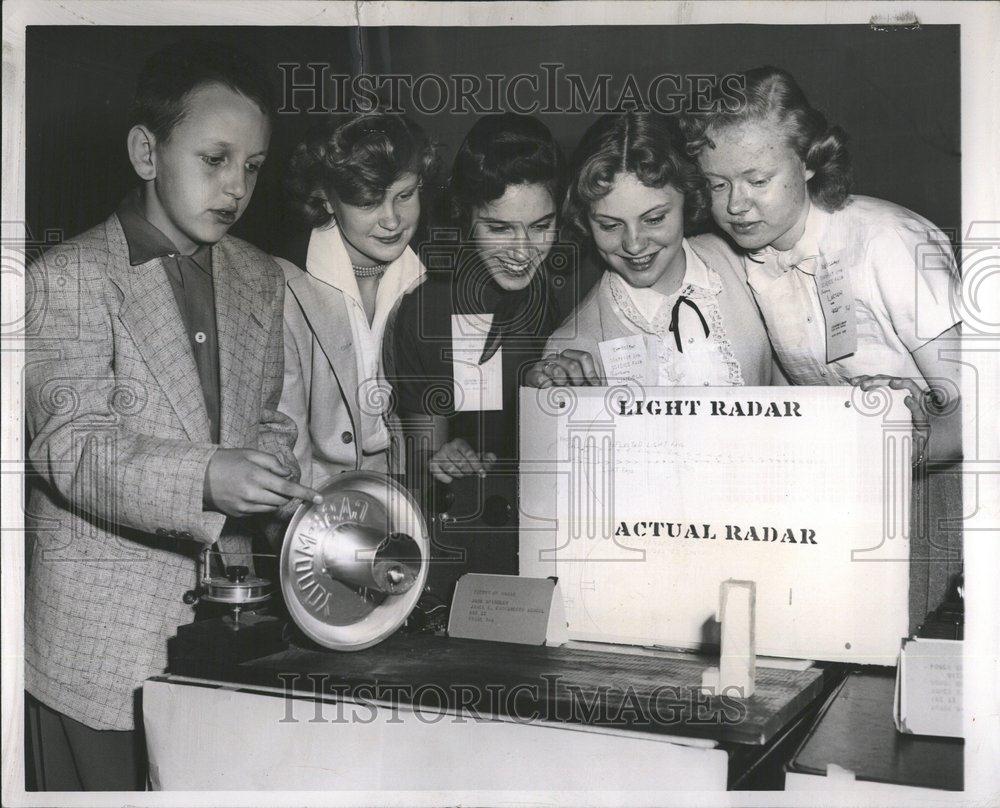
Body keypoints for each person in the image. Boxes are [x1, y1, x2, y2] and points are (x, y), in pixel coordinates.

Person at [23, 42, 320, 790]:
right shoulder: (66, 279)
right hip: (100, 653)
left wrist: (269, 464)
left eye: (252, 167)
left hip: (233, 638)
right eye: (215, 159)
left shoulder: (258, 274)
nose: (236, 187)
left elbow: (268, 414)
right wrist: (209, 478)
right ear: (146, 152)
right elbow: (71, 447)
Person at [681, 65, 961, 464]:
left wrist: (899, 453)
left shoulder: (887, 242)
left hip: (940, 481)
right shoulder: (757, 255)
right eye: (717, 184)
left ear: (810, 160)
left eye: (757, 181)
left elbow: (981, 414)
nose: (735, 205)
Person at [529, 111, 781, 389]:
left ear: (689, 196)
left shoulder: (748, 264)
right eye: (610, 225)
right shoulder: (572, 348)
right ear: (586, 221)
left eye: (654, 219)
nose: (634, 245)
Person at [386, 113, 566, 487]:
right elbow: (421, 457)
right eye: (499, 228)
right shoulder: (427, 311)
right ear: (465, 216)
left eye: (541, 226)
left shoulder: (570, 288)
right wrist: (440, 461)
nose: (522, 252)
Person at [278, 112, 438, 489]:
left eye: (405, 195)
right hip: (312, 492)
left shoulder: (433, 280)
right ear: (327, 198)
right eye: (368, 202)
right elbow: (282, 435)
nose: (392, 220)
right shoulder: (283, 285)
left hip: (405, 487)